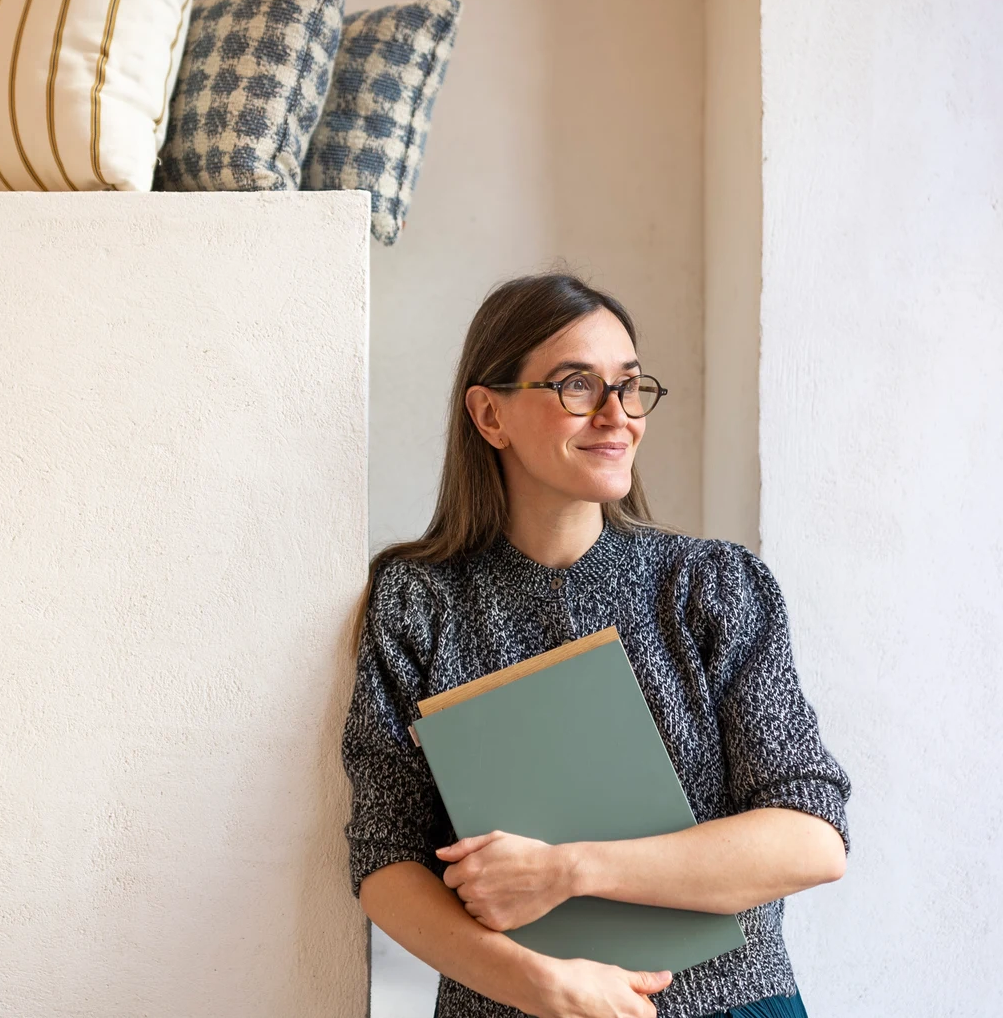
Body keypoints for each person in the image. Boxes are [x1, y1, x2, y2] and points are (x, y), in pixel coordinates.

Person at [341, 273, 851, 1018]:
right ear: (489, 414)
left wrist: (567, 870)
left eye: (630, 386)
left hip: (729, 1004)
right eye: (577, 386)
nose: (618, 416)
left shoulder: (713, 586)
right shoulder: (418, 602)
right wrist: (537, 983)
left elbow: (811, 839)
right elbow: (384, 856)